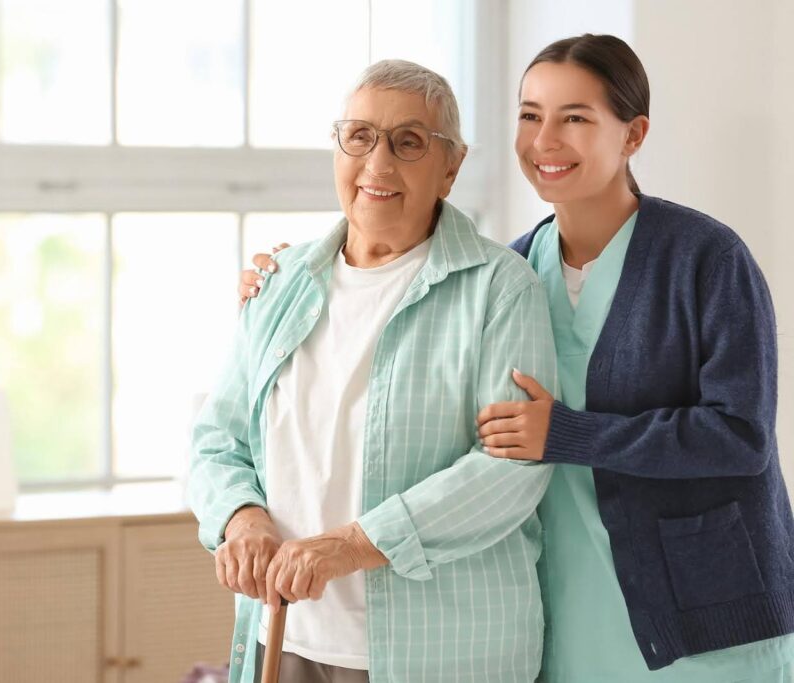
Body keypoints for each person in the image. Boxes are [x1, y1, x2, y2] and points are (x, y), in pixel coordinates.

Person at [240, 35, 794, 683]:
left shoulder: (706, 258)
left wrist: (568, 433)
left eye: (575, 118)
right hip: (570, 608)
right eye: (530, 116)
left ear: (633, 134)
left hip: (701, 614)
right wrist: (279, 283)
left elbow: (740, 436)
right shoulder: (510, 270)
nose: (544, 140)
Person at [188, 60, 558, 683]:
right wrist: (241, 518)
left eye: (408, 142)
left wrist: (350, 546)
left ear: (452, 167)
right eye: (359, 137)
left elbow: (510, 469)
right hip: (284, 639)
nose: (378, 164)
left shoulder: (501, 289)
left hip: (441, 654)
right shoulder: (281, 282)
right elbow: (218, 440)